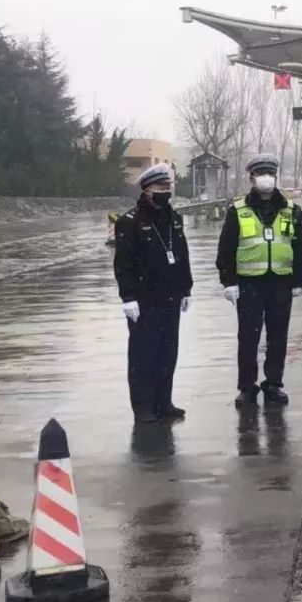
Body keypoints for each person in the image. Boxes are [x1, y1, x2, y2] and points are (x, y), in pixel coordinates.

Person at [216, 153, 302, 407]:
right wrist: (229, 281)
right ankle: (247, 387)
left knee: (278, 336)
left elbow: (300, 247)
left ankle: (274, 384)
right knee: (248, 337)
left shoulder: (291, 209)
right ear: (251, 178)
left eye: (269, 173)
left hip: (281, 282)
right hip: (249, 283)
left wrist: (301, 279)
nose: (265, 178)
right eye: (260, 174)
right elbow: (226, 248)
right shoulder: (237, 210)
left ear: (276, 177)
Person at [113, 164, 193, 423]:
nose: (165, 192)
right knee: (143, 355)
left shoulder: (174, 219)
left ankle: (164, 401)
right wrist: (128, 297)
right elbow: (123, 263)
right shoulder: (130, 222)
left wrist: (186, 287)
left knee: (168, 352)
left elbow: (182, 256)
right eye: (160, 188)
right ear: (147, 191)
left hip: (170, 297)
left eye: (168, 187)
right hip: (144, 300)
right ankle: (143, 407)